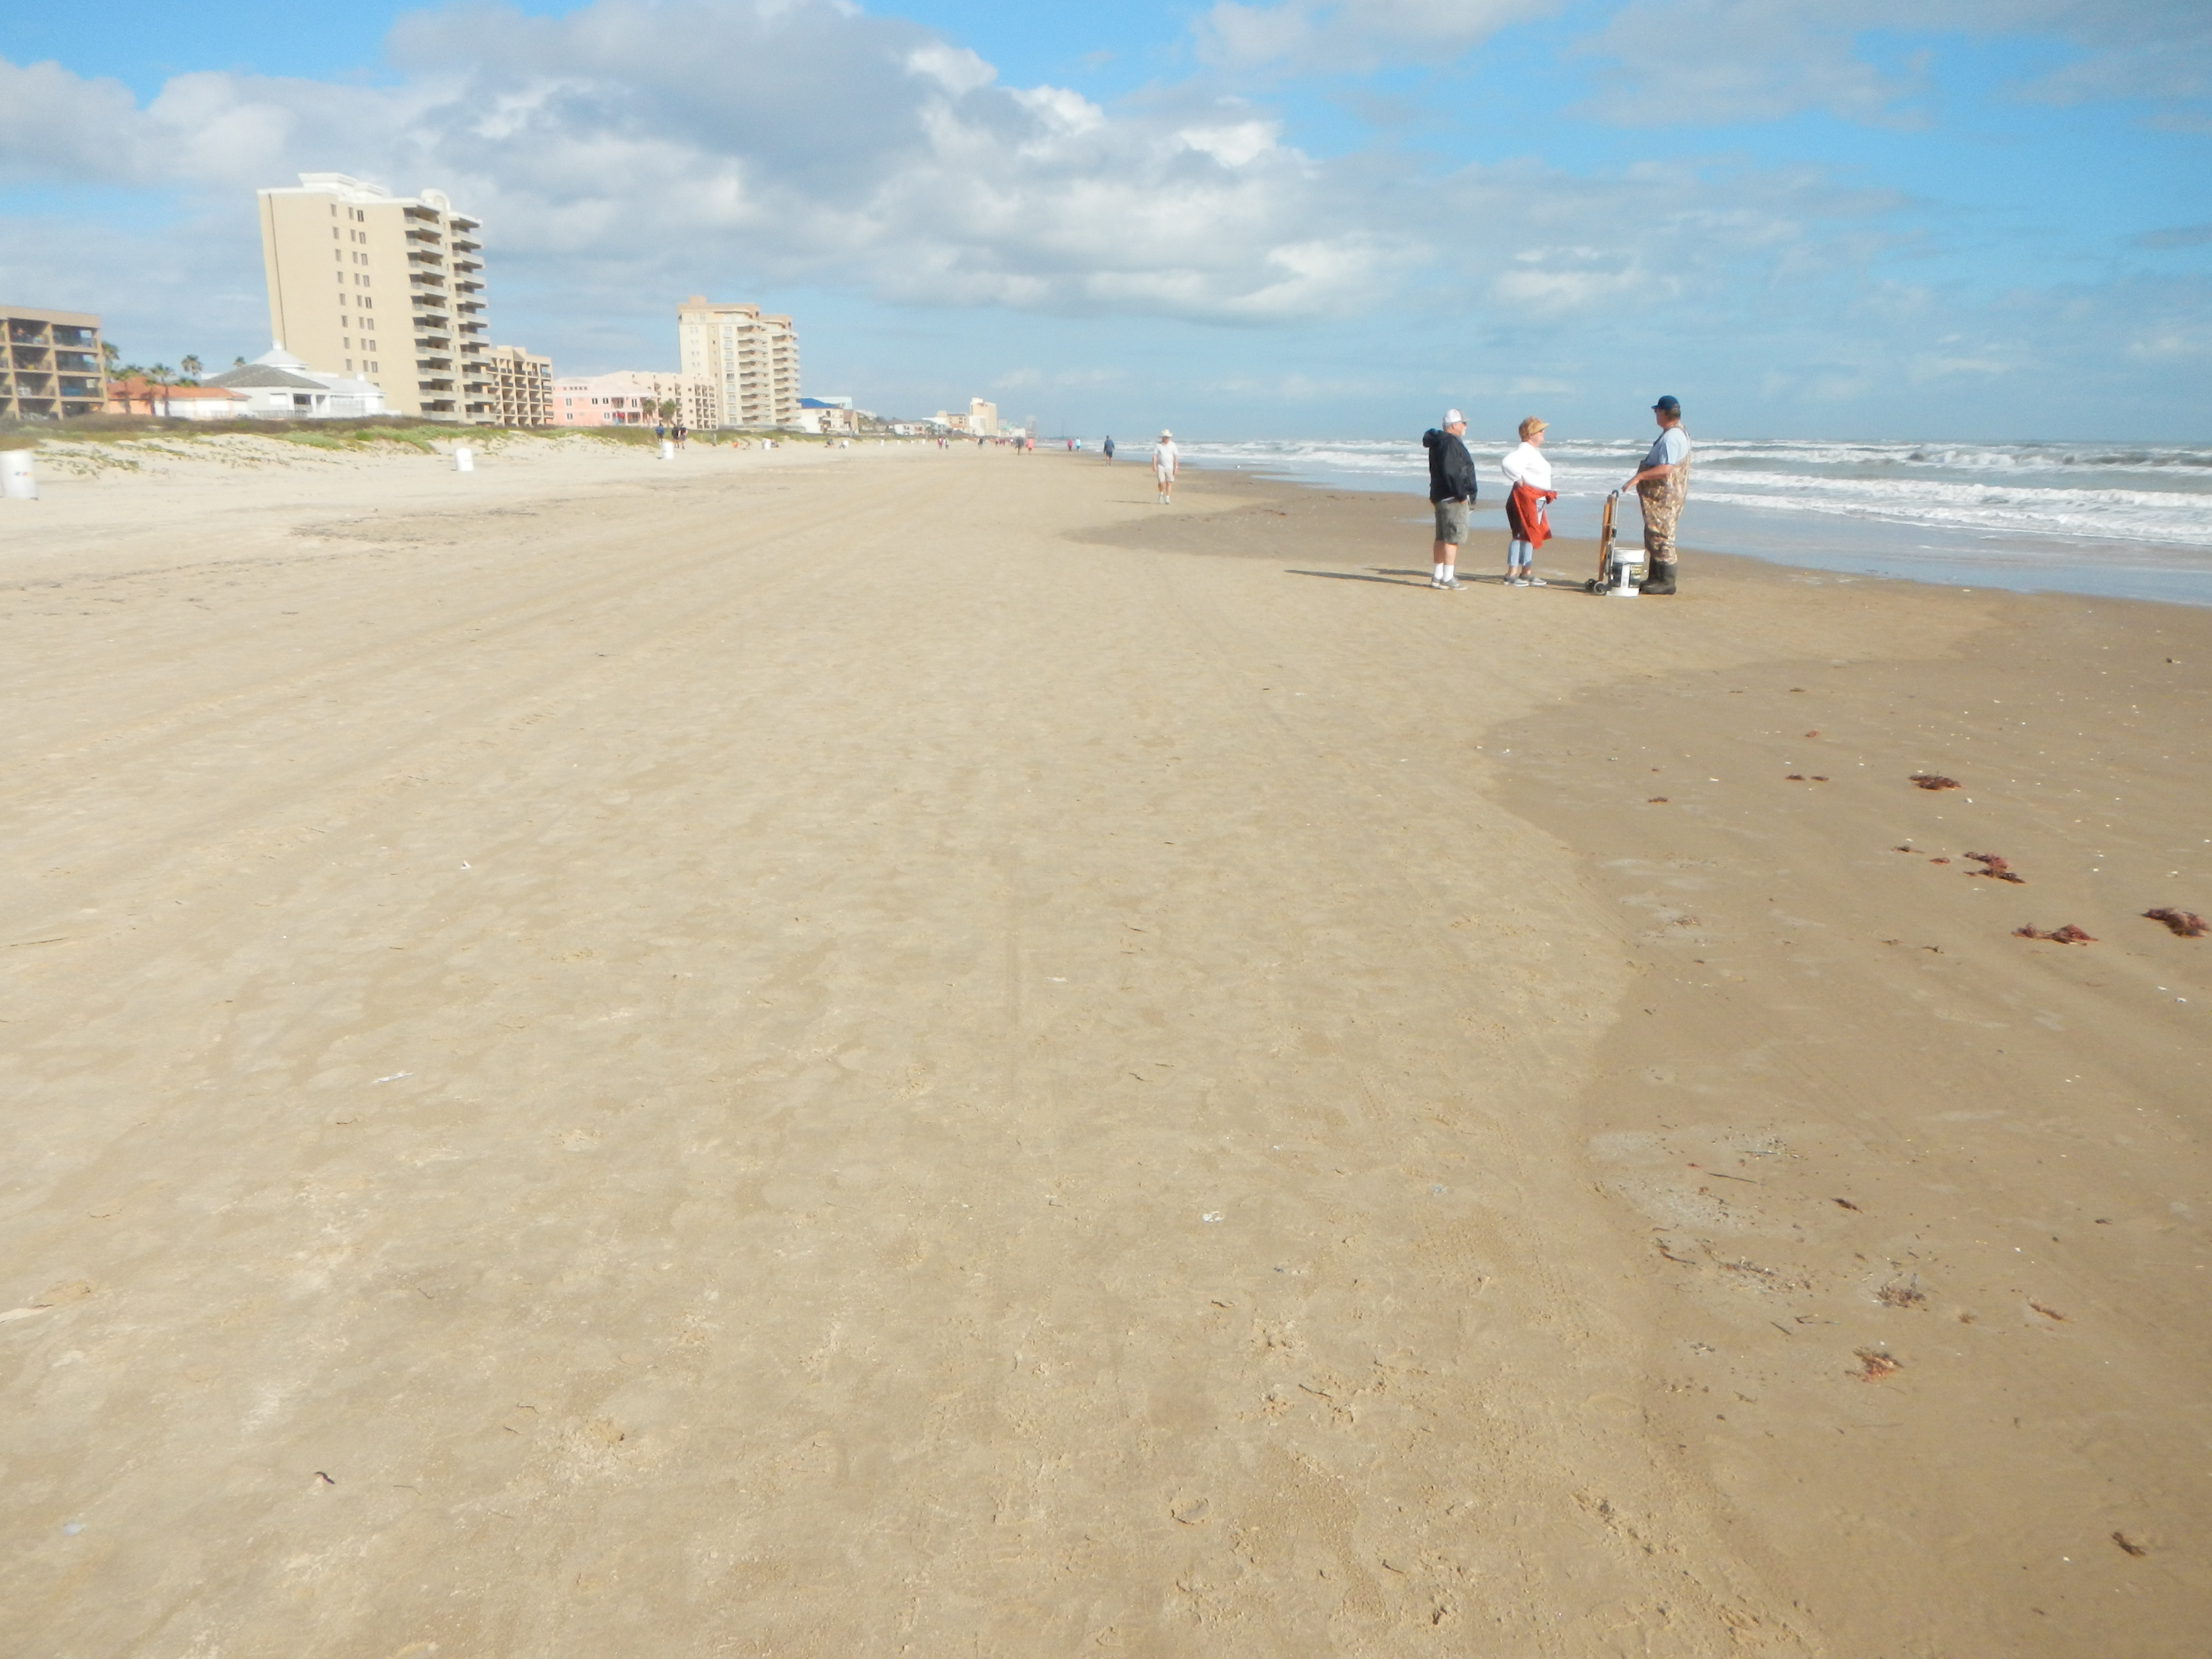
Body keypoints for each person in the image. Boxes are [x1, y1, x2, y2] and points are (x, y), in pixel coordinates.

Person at [1624, 395, 1692, 595]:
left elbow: (1665, 469)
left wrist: (1639, 477)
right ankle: (1655, 578)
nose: (1655, 416)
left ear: (1663, 413)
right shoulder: (1677, 433)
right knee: (1654, 534)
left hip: (1666, 496)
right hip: (1665, 495)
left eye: (1656, 412)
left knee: (1662, 536)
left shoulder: (1672, 437)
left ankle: (1667, 582)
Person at [1421, 409, 1477, 588]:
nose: (1465, 426)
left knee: (1442, 537)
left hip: (1440, 495)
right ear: (1454, 425)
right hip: (1452, 497)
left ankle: (1438, 576)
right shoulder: (1450, 442)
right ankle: (1447, 577)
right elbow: (1452, 471)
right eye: (1463, 423)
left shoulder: (1439, 442)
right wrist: (1461, 495)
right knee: (1453, 538)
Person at [1499, 416, 1557, 587]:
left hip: (1537, 498)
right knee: (1520, 534)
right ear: (1531, 434)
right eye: (1540, 430)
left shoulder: (1533, 452)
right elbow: (1508, 463)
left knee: (1531, 533)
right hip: (1524, 498)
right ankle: (1512, 573)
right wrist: (1518, 480)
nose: (1543, 432)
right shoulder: (1524, 450)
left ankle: (1527, 571)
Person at [1152, 429, 1178, 504]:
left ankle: (1167, 498)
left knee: (1169, 483)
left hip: (1170, 467)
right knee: (1161, 482)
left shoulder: (1173, 445)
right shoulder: (1158, 445)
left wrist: (1176, 467)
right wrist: (1154, 465)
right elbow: (1155, 456)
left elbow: (1176, 457)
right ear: (1162, 438)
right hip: (1161, 467)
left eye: (1168, 437)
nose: (1167, 438)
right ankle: (1161, 494)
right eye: (1166, 437)